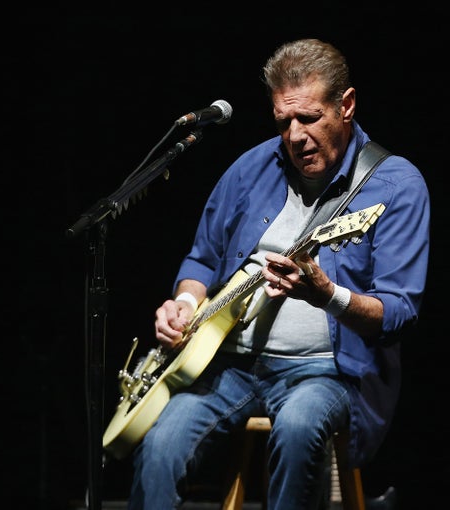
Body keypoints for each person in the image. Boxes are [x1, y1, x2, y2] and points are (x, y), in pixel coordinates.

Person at [126, 38, 430, 509]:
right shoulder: (250, 168)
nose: (294, 136)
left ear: (346, 105)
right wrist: (184, 304)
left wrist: (327, 294)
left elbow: (398, 312)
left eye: (308, 118)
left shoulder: (395, 184)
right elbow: (202, 259)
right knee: (160, 443)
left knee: (299, 426)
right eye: (283, 120)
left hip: (328, 373)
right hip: (230, 366)